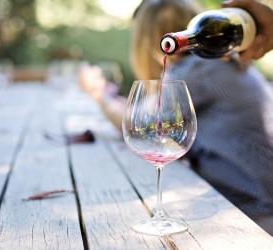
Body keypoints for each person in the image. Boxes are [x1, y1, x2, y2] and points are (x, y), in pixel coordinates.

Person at [78, 0, 273, 234]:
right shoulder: (217, 61)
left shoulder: (197, 68)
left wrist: (98, 94)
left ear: (146, 40)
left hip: (253, 206)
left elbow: (140, 124)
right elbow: (146, 113)